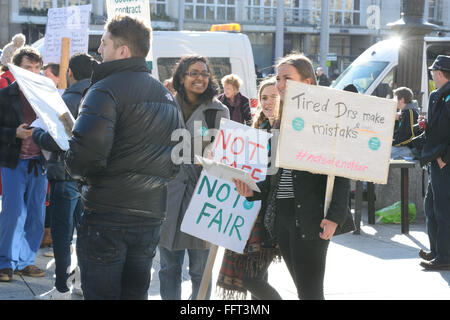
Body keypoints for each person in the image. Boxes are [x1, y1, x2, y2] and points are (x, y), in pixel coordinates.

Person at [64, 14, 183, 300]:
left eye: (104, 44)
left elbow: (85, 156)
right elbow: (176, 162)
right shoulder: (166, 96)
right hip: (150, 215)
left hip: (107, 214)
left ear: (123, 51)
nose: (99, 51)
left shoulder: (103, 89)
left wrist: (73, 168)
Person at [233, 53, 355, 300]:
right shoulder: (280, 120)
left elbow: (341, 171)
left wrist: (335, 217)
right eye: (278, 78)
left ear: (307, 82)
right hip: (283, 216)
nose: (279, 84)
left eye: (286, 78)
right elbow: (275, 176)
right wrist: (251, 191)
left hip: (312, 218)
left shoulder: (326, 118)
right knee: (303, 290)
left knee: (310, 293)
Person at [158, 55, 229, 300]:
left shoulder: (218, 111)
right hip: (169, 197)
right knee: (168, 268)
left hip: (204, 198)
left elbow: (228, 155)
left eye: (204, 73)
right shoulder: (165, 106)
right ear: (181, 77)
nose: (200, 78)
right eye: (194, 73)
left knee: (201, 270)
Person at [32, 53, 95, 299]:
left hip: (66, 172)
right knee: (85, 231)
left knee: (62, 232)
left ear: (70, 73)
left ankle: (60, 287)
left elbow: (58, 140)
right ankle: (81, 282)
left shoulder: (67, 98)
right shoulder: (101, 97)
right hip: (91, 176)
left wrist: (35, 135)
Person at [216, 77, 282, 300]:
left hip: (271, 215)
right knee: (257, 276)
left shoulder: (286, 132)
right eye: (264, 97)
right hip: (248, 213)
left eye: (274, 96)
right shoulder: (256, 130)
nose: (268, 102)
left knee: (251, 277)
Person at [0, 47, 48, 282]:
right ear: (16, 68)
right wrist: (13, 133)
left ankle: (26, 261)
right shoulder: (4, 95)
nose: (33, 72)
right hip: (13, 162)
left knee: (37, 215)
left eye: (37, 68)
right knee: (12, 213)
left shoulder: (45, 95)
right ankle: (5, 263)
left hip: (40, 164)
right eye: (28, 67)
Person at [419, 55, 450, 271]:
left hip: (443, 162)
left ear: (439, 73)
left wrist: (444, 158)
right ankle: (437, 250)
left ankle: (445, 256)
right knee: (430, 206)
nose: (431, 76)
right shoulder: (436, 95)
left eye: (432, 72)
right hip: (435, 159)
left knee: (442, 210)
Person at [391, 87, 420, 159]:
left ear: (402, 100)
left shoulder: (410, 113)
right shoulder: (403, 113)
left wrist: (392, 143)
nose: (393, 101)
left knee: (383, 152)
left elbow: (410, 137)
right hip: (402, 146)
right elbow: (398, 133)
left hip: (409, 149)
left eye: (395, 98)